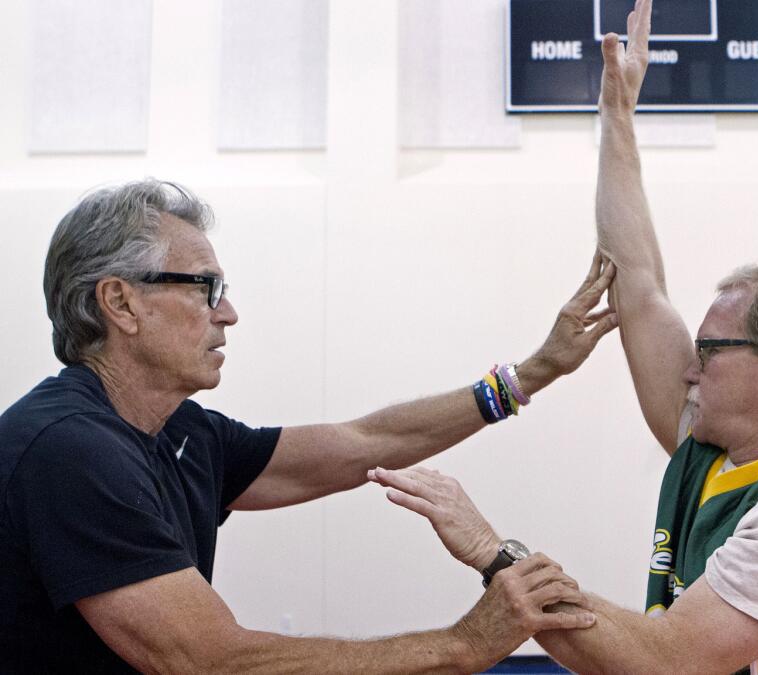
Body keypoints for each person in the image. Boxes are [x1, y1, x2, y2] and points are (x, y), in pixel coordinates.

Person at [369, 0, 758, 672]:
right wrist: (618, 114)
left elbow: (664, 661)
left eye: (710, 351)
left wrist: (489, 548)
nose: (689, 367)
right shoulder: (714, 453)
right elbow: (639, 282)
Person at [0, 179, 618, 672]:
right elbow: (211, 661)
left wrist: (531, 375)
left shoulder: (184, 431)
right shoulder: (69, 450)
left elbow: (366, 445)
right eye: (205, 288)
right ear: (121, 302)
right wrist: (465, 644)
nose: (229, 313)